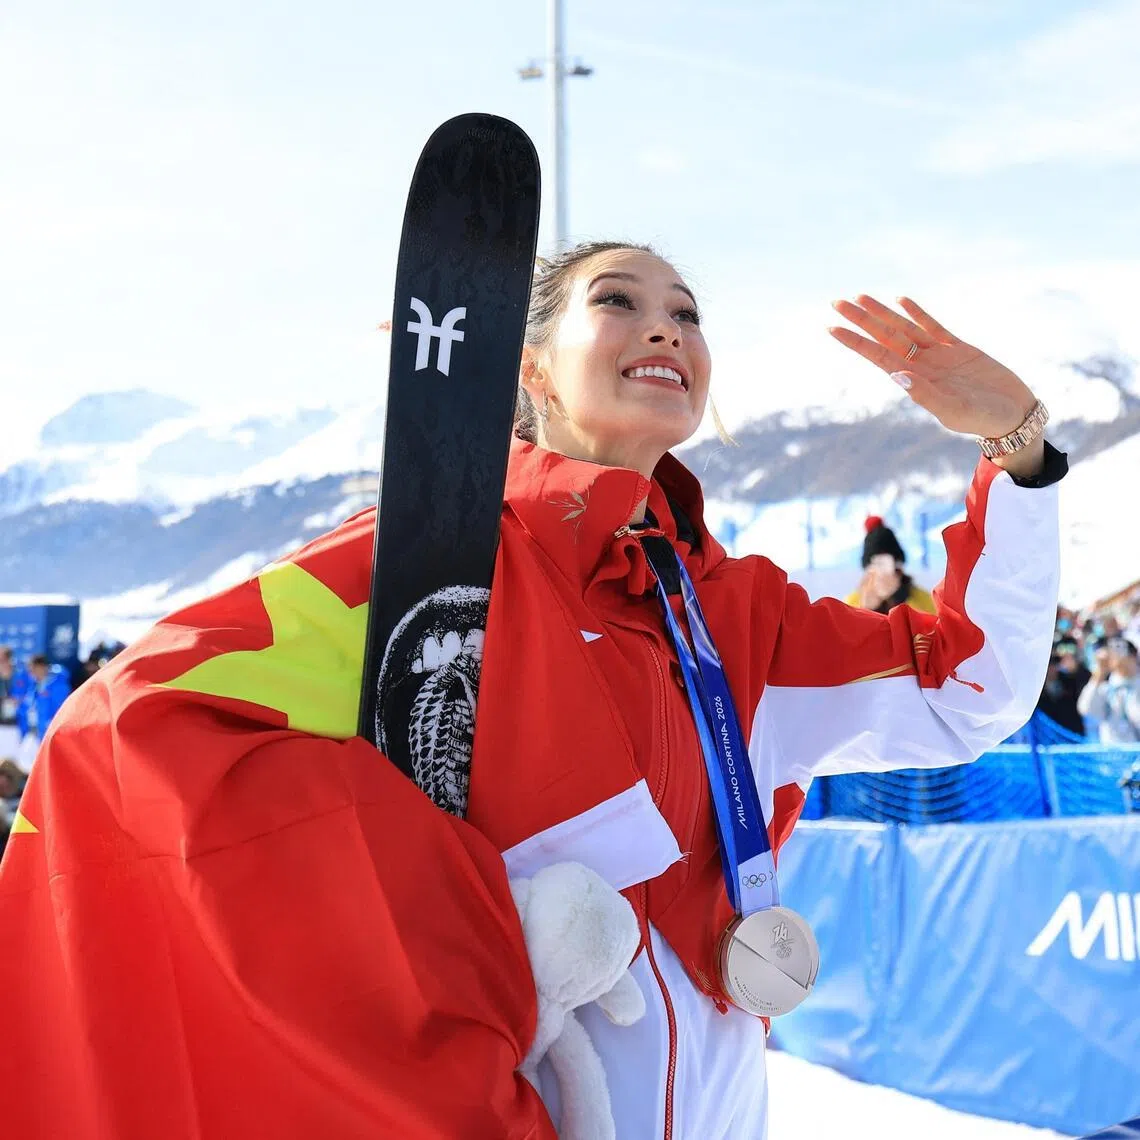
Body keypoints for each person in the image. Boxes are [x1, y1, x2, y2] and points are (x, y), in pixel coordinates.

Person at [0, 242, 1064, 1139]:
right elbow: (130, 723)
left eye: (687, 313)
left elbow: (968, 688)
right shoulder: (426, 568)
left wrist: (1017, 449)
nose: (666, 327)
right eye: (619, 302)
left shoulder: (743, 612)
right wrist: (460, 921)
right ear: (533, 371)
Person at [846, 515, 937, 615]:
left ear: (897, 567)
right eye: (877, 564)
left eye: (886, 564)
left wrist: (899, 599)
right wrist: (866, 610)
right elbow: (845, 623)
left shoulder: (921, 599)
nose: (882, 573)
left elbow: (931, 621)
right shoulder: (853, 603)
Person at [15, 653, 71, 773]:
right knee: (25, 764)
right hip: (33, 732)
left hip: (49, 733)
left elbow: (61, 709)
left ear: (42, 667)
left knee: (46, 767)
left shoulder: (58, 685)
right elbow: (27, 707)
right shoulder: (34, 685)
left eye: (33, 669)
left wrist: (50, 727)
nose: (31, 673)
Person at [1078, 636, 1140, 744]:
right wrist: (1100, 672)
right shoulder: (1107, 688)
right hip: (1111, 750)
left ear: (1133, 656)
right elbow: (1086, 709)